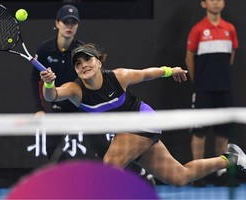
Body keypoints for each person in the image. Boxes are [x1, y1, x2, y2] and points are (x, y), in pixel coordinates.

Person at [40, 43, 246, 186]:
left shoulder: (119, 77)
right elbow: (53, 96)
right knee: (180, 176)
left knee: (110, 166)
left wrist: (170, 70)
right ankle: (231, 159)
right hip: (127, 133)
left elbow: (147, 73)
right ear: (76, 70)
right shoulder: (76, 91)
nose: (84, 65)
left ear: (99, 62)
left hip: (142, 119)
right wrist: (49, 82)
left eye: (88, 59)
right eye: (78, 63)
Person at [30, 4, 109, 162]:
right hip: (60, 106)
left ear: (77, 26)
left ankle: (123, 178)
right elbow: (36, 80)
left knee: (103, 148)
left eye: (73, 23)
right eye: (66, 22)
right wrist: (39, 109)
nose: (69, 26)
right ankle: (68, 180)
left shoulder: (82, 51)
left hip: (83, 105)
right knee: (51, 147)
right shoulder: (44, 50)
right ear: (57, 23)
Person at [185, 0, 239, 186]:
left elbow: (231, 56)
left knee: (222, 132)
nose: (216, 2)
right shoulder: (198, 29)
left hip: (224, 89)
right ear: (204, 3)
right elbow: (189, 57)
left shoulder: (230, 29)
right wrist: (198, 80)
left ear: (223, 3)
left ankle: (221, 173)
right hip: (203, 89)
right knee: (199, 132)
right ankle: (197, 173)